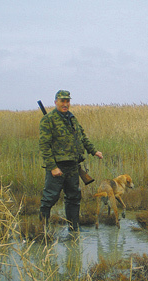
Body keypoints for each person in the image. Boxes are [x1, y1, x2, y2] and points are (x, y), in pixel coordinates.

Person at [39, 90, 103, 231]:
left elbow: (82, 137)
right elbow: (44, 146)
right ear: (56, 102)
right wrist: (52, 167)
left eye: (67, 101)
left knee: (74, 198)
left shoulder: (72, 118)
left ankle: (74, 228)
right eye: (62, 101)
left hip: (73, 166)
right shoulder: (48, 119)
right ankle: (41, 230)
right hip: (58, 166)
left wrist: (94, 151)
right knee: (49, 198)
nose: (65, 104)